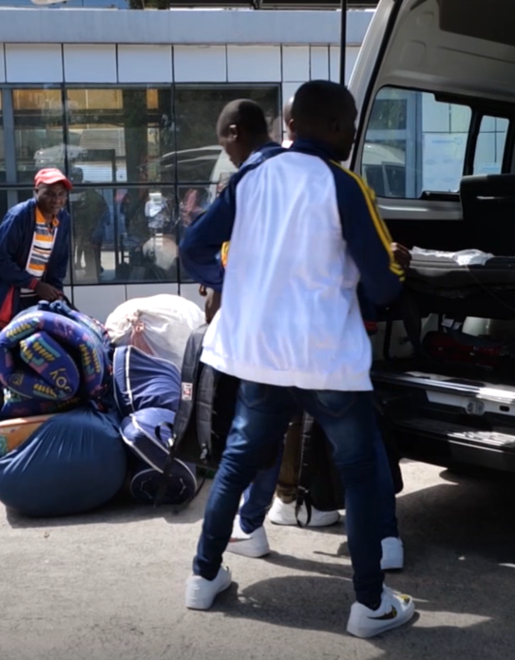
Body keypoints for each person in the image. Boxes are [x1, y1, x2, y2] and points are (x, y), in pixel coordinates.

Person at [179, 81, 415, 638]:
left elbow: (193, 246)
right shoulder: (344, 184)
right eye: (351, 124)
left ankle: (203, 578)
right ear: (333, 126)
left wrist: (233, 283)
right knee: (360, 473)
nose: (354, 134)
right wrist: (397, 265)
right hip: (327, 359)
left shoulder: (251, 178)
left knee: (236, 464)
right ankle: (370, 605)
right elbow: (383, 285)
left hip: (260, 357)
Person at [220, 96, 408, 573]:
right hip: (331, 336)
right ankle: (382, 539)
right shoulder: (335, 178)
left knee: (267, 437)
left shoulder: (260, 176)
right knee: (361, 444)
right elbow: (369, 259)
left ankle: (251, 524)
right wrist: (390, 264)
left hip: (273, 339)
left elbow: (228, 253)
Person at [0, 168, 72, 338]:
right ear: (36, 191)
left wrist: (56, 293)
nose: (57, 200)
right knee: (6, 350)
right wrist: (35, 285)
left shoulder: (63, 218)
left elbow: (60, 262)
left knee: (41, 350)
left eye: (61, 194)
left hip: (39, 300)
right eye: (49, 193)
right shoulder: (19, 216)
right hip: (11, 299)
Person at [69, 168, 111, 283]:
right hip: (81, 229)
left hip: (89, 229)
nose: (75, 180)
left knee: (90, 251)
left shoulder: (90, 195)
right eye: (74, 177)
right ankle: (90, 271)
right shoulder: (71, 193)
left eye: (77, 177)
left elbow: (103, 211)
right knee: (78, 251)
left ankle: (92, 271)